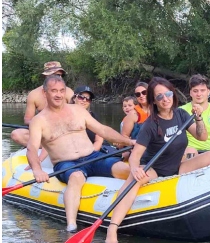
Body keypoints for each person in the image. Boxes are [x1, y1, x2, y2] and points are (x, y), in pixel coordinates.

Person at [105, 77, 210, 243]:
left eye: (167, 94)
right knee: (134, 179)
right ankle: (113, 227)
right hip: (155, 168)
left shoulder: (182, 114)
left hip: (177, 166)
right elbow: (136, 155)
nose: (165, 99)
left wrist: (198, 117)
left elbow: (202, 137)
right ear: (154, 100)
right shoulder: (150, 124)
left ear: (173, 94)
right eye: (159, 96)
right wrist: (134, 168)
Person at [24, 73, 136, 233]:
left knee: (125, 170)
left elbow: (103, 130)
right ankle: (71, 226)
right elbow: (32, 148)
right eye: (54, 90)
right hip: (66, 163)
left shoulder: (78, 110)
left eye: (62, 90)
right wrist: (37, 169)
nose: (59, 95)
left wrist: (129, 142)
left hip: (93, 157)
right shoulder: (39, 121)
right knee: (76, 177)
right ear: (45, 93)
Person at [8, 61, 75, 157]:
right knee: (16, 134)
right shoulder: (34, 94)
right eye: (54, 75)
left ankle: (52, 146)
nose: (58, 78)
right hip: (44, 134)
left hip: (64, 132)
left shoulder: (68, 92)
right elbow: (27, 119)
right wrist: (41, 125)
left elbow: (76, 116)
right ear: (46, 77)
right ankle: (49, 146)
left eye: (60, 75)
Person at [70, 86, 105, 153]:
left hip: (93, 152)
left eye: (88, 99)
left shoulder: (94, 116)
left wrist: (92, 153)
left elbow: (99, 140)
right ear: (74, 98)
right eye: (81, 97)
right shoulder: (66, 115)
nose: (84, 100)